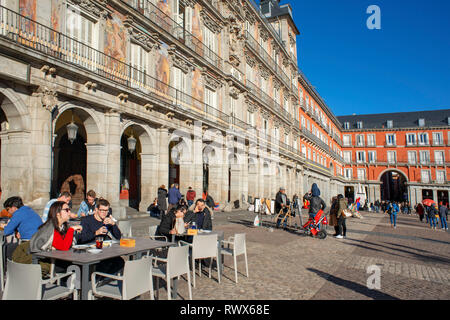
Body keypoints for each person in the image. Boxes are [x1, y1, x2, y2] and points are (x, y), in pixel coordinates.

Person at [12, 201, 83, 276]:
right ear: (57, 213)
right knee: (75, 267)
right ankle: (74, 286)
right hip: (37, 261)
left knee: (76, 265)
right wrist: (71, 230)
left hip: (52, 259)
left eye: (69, 209)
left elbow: (66, 244)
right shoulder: (50, 227)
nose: (70, 212)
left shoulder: (62, 226)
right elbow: (64, 246)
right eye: (66, 210)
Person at [78, 198, 124, 274]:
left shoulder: (106, 220)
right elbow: (82, 238)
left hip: (104, 251)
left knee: (120, 262)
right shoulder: (87, 220)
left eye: (106, 210)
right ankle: (96, 279)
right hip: (89, 251)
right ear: (96, 210)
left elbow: (118, 236)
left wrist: (113, 224)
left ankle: (102, 279)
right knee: (106, 264)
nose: (104, 213)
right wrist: (96, 232)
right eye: (102, 210)